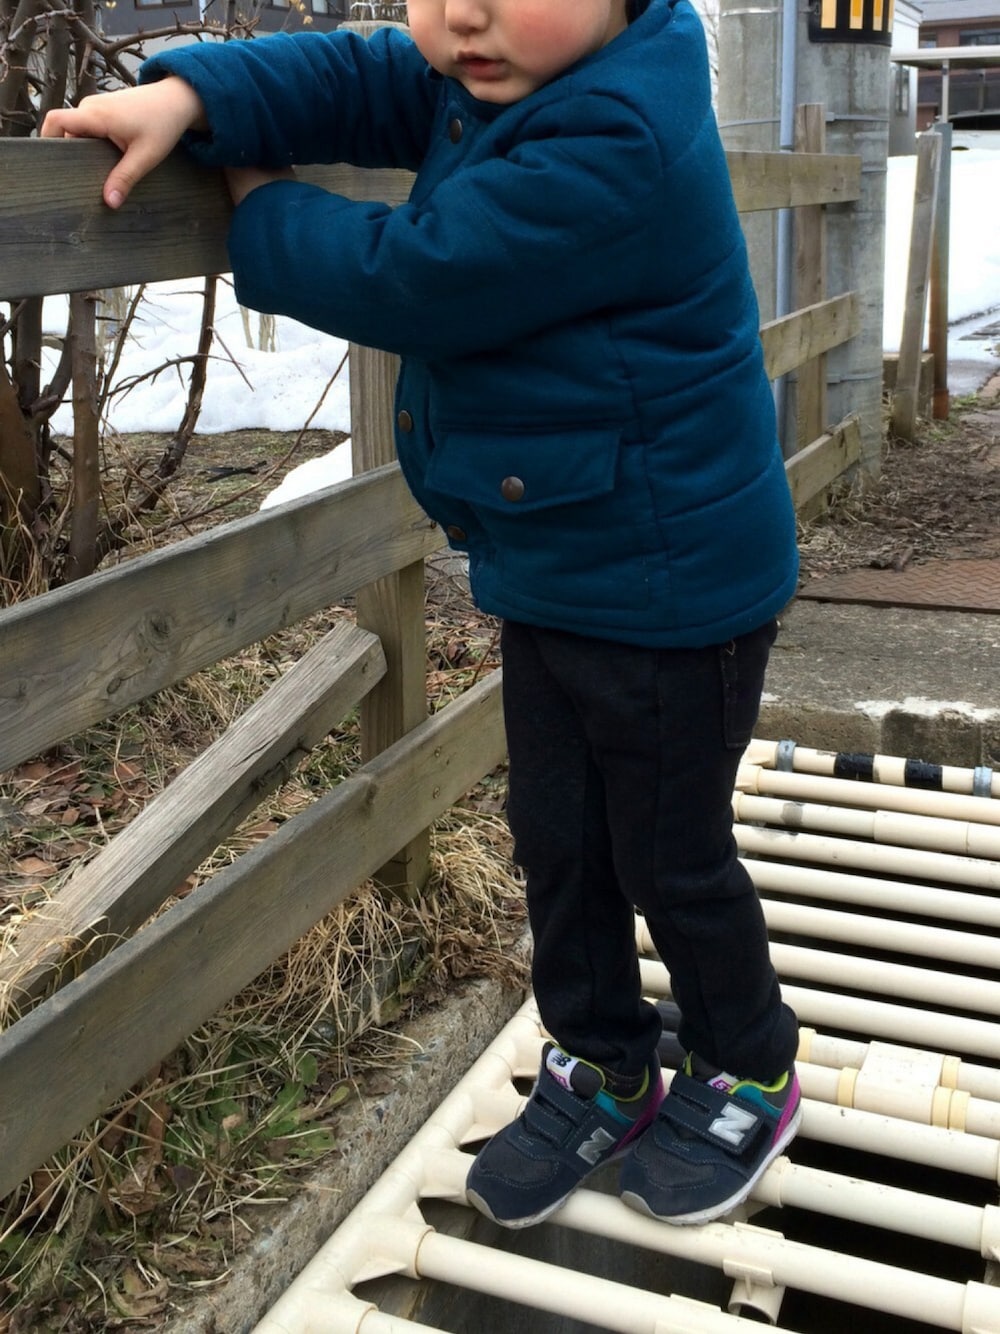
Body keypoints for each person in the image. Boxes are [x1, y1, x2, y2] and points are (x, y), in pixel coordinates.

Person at [42, 0, 802, 1230]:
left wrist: (256, 197)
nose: (462, 13)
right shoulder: (509, 65)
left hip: (676, 584)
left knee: (666, 851)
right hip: (558, 555)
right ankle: (602, 1062)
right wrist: (196, 93)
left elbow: (421, 275)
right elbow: (360, 71)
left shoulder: (620, 129)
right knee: (557, 833)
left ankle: (747, 1065)